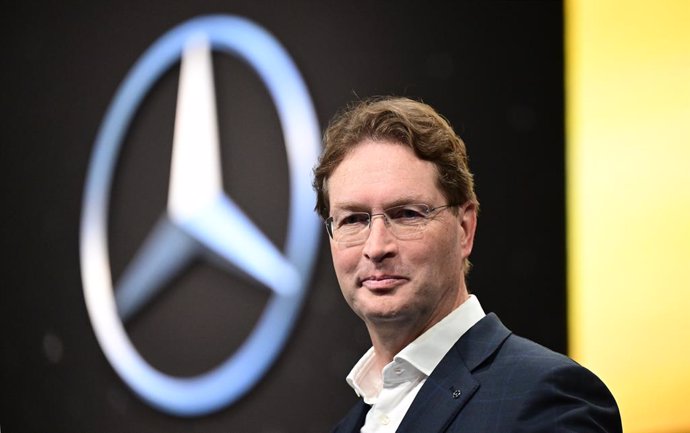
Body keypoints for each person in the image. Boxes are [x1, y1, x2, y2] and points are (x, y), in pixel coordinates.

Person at [312, 96, 622, 432]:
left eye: (406, 215)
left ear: (465, 228)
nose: (376, 247)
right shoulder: (348, 427)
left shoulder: (549, 399)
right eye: (353, 220)